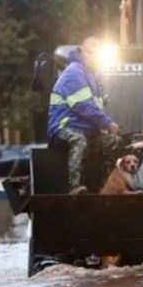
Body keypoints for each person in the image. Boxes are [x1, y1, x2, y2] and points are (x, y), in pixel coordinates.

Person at [47, 37, 123, 195]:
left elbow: (98, 105)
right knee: (78, 140)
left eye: (97, 54)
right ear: (82, 53)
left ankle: (108, 185)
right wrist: (108, 124)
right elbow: (84, 107)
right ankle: (75, 186)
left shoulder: (94, 77)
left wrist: (106, 129)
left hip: (87, 132)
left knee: (115, 142)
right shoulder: (74, 72)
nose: (94, 57)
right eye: (91, 53)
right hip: (64, 128)